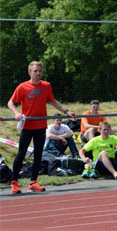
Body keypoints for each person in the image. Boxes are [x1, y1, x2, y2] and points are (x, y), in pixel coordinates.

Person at [7, 61, 76, 194]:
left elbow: (53, 101)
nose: (38, 73)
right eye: (35, 71)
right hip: (27, 125)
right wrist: (16, 113)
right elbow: (10, 102)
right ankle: (14, 182)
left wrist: (66, 112)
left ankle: (33, 182)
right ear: (30, 72)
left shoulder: (46, 86)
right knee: (21, 154)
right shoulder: (22, 87)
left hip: (40, 125)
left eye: (40, 71)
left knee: (38, 155)